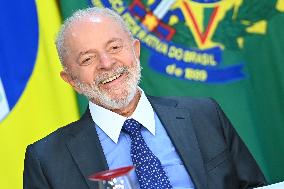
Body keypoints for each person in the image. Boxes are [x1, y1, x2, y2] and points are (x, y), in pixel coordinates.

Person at [24, 7, 266, 189]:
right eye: (88, 59)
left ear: (136, 50)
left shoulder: (205, 114)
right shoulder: (46, 160)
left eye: (115, 47)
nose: (107, 64)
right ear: (71, 80)